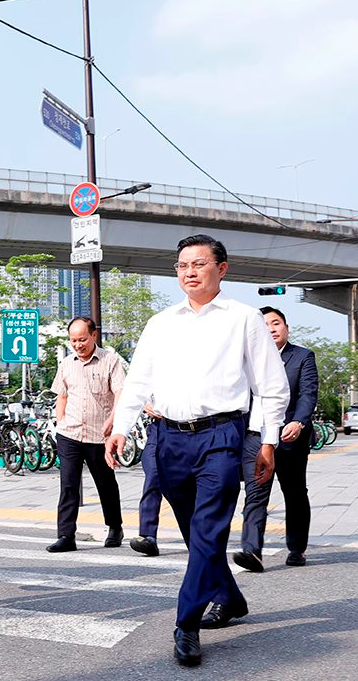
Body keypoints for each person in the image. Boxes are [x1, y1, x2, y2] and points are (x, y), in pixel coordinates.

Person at [105, 234, 288, 667]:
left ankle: (186, 623)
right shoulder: (161, 322)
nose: (189, 271)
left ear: (221, 269)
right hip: (167, 438)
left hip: (221, 437)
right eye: (182, 265)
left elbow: (271, 387)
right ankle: (230, 596)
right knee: (195, 534)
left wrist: (267, 440)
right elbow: (139, 380)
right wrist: (122, 426)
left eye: (199, 264)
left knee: (208, 532)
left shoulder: (244, 319)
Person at [232, 306, 319, 572]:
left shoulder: (302, 356)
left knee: (294, 493)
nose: (271, 328)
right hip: (254, 436)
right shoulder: (244, 359)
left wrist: (298, 421)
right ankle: (252, 550)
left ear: (286, 327)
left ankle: (296, 548)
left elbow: (308, 393)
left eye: (276, 323)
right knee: (255, 493)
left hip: (289, 437)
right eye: (265, 324)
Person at [46, 316, 126, 553]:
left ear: (94, 335)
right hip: (69, 434)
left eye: (82, 339)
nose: (78, 344)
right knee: (68, 485)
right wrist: (61, 424)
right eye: (73, 340)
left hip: (99, 435)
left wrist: (114, 420)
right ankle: (66, 535)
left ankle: (115, 527)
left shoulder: (110, 361)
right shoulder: (66, 364)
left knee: (105, 484)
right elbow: (61, 396)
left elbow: (120, 392)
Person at [130, 404, 163, 557]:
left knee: (185, 487)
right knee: (153, 477)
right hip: (158, 430)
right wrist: (144, 403)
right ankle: (147, 535)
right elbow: (135, 391)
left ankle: (198, 536)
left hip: (191, 431)